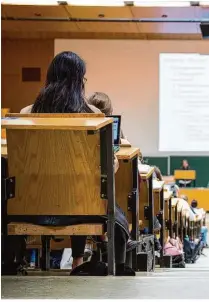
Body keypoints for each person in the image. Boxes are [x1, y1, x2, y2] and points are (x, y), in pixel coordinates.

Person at [9, 51, 134, 276]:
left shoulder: (27, 114)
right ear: (79, 81)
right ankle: (109, 262)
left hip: (30, 209)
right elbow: (110, 166)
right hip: (81, 210)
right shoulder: (94, 117)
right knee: (104, 204)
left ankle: (11, 260)